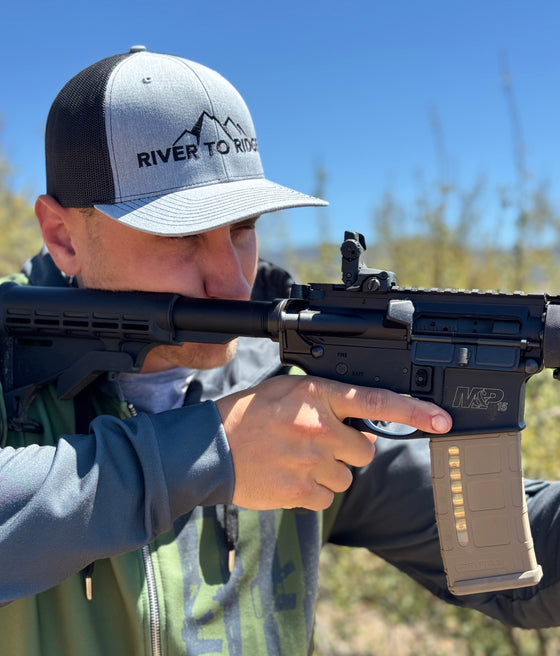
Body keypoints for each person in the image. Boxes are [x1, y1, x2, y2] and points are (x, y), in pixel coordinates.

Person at [0, 46, 558, 655]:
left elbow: (514, 566)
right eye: (181, 235)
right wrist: (211, 453)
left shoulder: (290, 383)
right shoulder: (11, 365)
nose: (233, 281)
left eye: (243, 229)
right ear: (63, 236)